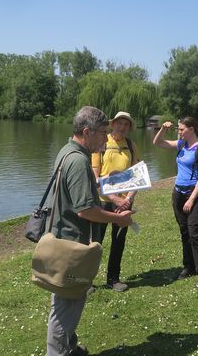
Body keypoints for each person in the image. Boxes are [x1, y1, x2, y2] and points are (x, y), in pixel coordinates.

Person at [45, 106, 133, 356]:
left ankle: (69, 347)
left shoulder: (66, 151)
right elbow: (85, 210)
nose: (106, 138)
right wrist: (118, 219)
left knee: (66, 301)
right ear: (87, 131)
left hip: (62, 237)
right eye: (102, 133)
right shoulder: (79, 160)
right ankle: (59, 353)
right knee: (66, 305)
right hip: (71, 245)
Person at [153, 117, 198, 288]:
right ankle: (189, 266)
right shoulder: (181, 145)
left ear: (191, 129)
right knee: (184, 231)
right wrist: (163, 129)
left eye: (181, 129)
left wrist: (192, 199)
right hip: (178, 194)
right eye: (178, 129)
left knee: (194, 231)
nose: (178, 132)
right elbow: (158, 143)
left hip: (194, 195)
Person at [91, 111, 139, 292]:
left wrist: (128, 199)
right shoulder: (101, 144)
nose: (122, 127)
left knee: (118, 241)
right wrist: (114, 198)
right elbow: (95, 177)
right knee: (96, 242)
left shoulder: (131, 145)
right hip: (103, 201)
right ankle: (86, 280)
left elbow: (137, 176)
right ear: (113, 125)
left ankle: (113, 279)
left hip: (125, 202)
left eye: (126, 124)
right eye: (119, 123)